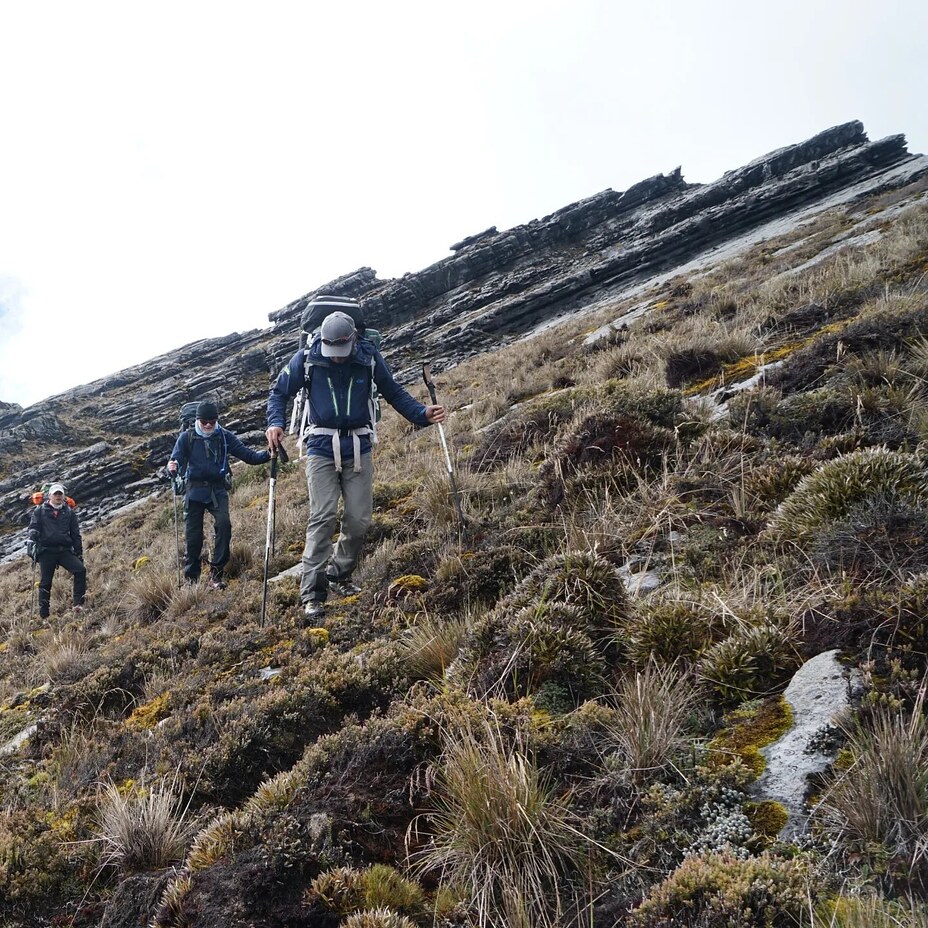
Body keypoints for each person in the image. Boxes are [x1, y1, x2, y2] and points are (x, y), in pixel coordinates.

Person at [266, 310, 445, 619]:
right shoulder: (307, 358)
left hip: (359, 447)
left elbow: (393, 392)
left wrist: (421, 414)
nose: (336, 357)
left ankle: (339, 573)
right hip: (321, 447)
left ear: (352, 339)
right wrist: (275, 423)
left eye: (341, 351)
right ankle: (312, 593)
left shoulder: (368, 356)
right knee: (322, 517)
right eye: (331, 351)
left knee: (359, 519)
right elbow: (279, 392)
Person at [168, 400, 271, 588]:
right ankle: (192, 580)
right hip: (193, 490)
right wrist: (172, 468)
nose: (208, 425)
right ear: (197, 420)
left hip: (217, 490)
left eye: (212, 422)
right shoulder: (186, 438)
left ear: (217, 420)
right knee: (193, 537)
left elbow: (248, 456)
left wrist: (268, 454)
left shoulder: (224, 437)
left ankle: (216, 574)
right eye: (204, 421)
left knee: (224, 526)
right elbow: (175, 461)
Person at [27, 483, 86, 619]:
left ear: (63, 496)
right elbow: (33, 526)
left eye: (60, 494)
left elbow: (75, 534)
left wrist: (79, 553)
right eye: (56, 494)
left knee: (80, 570)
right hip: (46, 552)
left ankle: (78, 604)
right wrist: (33, 535)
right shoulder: (40, 511)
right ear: (50, 496)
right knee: (45, 583)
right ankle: (44, 615)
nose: (58, 496)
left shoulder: (69, 512)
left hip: (64, 551)